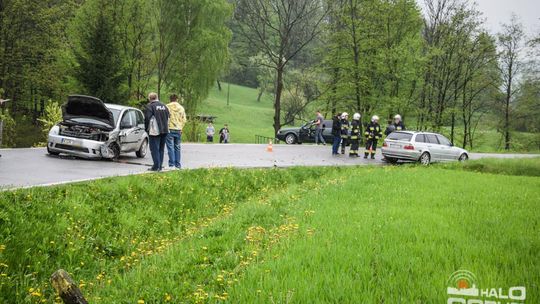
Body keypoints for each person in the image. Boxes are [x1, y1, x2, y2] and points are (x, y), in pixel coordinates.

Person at [144, 92, 170, 171]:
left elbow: (147, 118)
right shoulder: (164, 106)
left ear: (150, 99)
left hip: (155, 131)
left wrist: (146, 129)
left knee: (154, 149)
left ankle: (156, 167)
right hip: (165, 130)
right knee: (161, 149)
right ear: (157, 97)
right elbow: (169, 116)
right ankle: (159, 166)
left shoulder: (150, 106)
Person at [165, 94, 186, 169]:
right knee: (177, 147)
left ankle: (171, 165)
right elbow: (184, 120)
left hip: (169, 129)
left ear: (170, 99)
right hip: (178, 129)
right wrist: (181, 128)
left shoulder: (167, 106)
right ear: (177, 99)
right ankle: (178, 165)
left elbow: (165, 118)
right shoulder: (181, 108)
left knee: (170, 147)